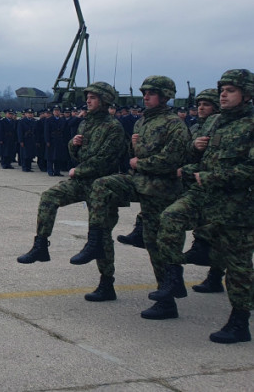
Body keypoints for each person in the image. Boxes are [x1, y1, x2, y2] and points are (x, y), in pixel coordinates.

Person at [69, 76, 189, 318]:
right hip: (140, 183)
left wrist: (139, 160)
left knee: (157, 243)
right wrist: (136, 150)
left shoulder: (174, 124)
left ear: (164, 97)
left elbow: (172, 160)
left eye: (151, 93)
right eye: (144, 92)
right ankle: (96, 239)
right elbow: (137, 155)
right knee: (102, 185)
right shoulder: (142, 123)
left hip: (161, 190)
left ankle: (167, 299)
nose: (146, 97)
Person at [152, 70, 254, 342]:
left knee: (239, 265)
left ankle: (239, 321)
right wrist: (194, 155)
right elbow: (194, 159)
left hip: (238, 205)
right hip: (204, 195)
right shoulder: (214, 122)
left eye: (231, 90)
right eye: (222, 89)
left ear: (246, 94)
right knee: (170, 218)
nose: (223, 94)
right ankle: (173, 278)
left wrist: (209, 176)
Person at [17, 82, 125, 266]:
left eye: (93, 98)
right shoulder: (85, 124)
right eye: (88, 97)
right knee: (49, 197)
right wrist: (73, 145)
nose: (88, 101)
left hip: (103, 185)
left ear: (104, 100)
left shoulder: (113, 127)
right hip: (83, 182)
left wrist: (79, 170)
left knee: (101, 236)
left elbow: (105, 160)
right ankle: (41, 245)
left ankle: (106, 283)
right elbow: (77, 155)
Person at [181, 88, 226, 293]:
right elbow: (186, 152)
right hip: (197, 182)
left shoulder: (220, 125)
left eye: (206, 104)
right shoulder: (195, 127)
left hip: (217, 184)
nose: (200, 108)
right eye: (199, 104)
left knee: (221, 234)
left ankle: (216, 276)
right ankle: (214, 277)